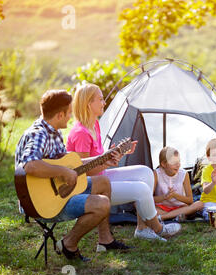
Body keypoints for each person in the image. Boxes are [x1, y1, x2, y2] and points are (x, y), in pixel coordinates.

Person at [15, 89, 130, 262]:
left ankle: (105, 240)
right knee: (102, 204)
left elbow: (72, 166)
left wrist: (104, 160)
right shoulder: (38, 134)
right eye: (69, 113)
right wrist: (62, 171)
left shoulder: (54, 132)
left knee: (103, 182)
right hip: (41, 203)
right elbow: (30, 165)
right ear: (60, 115)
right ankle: (69, 243)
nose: (71, 117)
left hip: (58, 190)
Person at [66, 83, 181, 242]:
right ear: (88, 104)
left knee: (146, 172)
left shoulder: (95, 125)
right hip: (90, 187)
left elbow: (98, 160)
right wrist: (107, 162)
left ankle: (142, 229)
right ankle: (158, 228)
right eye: (100, 99)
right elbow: (83, 171)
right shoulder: (81, 134)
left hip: (102, 176)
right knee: (141, 190)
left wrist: (114, 155)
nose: (104, 102)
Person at [153, 146, 204, 221]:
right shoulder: (156, 174)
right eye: (174, 162)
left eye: (179, 161)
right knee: (138, 205)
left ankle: (163, 217)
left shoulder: (183, 174)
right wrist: (165, 197)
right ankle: (176, 216)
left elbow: (190, 200)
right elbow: (150, 199)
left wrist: (174, 195)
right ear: (163, 164)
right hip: (162, 207)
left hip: (180, 207)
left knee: (200, 204)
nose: (178, 165)